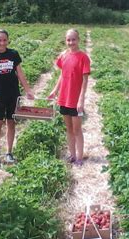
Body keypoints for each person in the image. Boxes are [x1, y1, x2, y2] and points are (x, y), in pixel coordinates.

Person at [0, 29, 34, 167]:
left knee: (11, 123)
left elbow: (20, 73)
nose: (2, 42)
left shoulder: (13, 54)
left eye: (4, 40)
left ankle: (9, 153)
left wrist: (27, 90)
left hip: (13, 94)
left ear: (8, 41)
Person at [48, 29, 90, 166]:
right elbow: (62, 74)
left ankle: (79, 157)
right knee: (69, 128)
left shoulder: (83, 57)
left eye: (73, 39)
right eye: (68, 40)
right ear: (65, 40)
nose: (71, 42)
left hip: (75, 100)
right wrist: (55, 90)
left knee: (77, 129)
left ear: (78, 40)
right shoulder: (64, 55)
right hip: (64, 98)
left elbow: (85, 81)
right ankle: (72, 155)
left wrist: (81, 99)